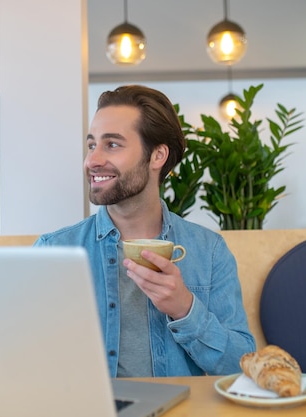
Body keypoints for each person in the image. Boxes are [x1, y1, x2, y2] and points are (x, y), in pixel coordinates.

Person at [35, 85, 255, 377]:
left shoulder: (210, 252)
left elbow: (242, 367)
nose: (92, 160)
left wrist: (185, 309)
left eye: (112, 144)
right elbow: (26, 365)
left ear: (157, 156)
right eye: (92, 145)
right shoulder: (54, 252)